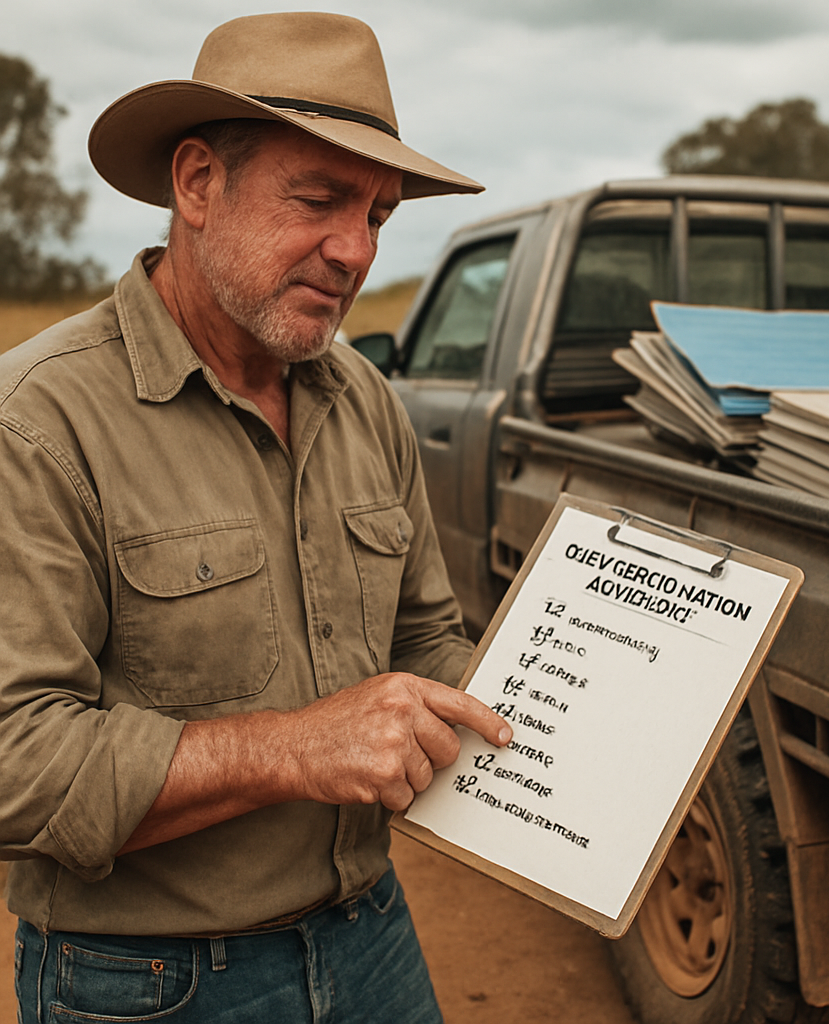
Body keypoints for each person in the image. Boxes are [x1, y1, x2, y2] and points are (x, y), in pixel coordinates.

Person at [0, 13, 510, 1023]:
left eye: (378, 214)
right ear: (196, 184)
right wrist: (292, 748)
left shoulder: (366, 400)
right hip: (146, 982)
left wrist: (590, 727)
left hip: (373, 939)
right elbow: (16, 764)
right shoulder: (40, 420)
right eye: (318, 200)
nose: (354, 249)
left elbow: (423, 641)